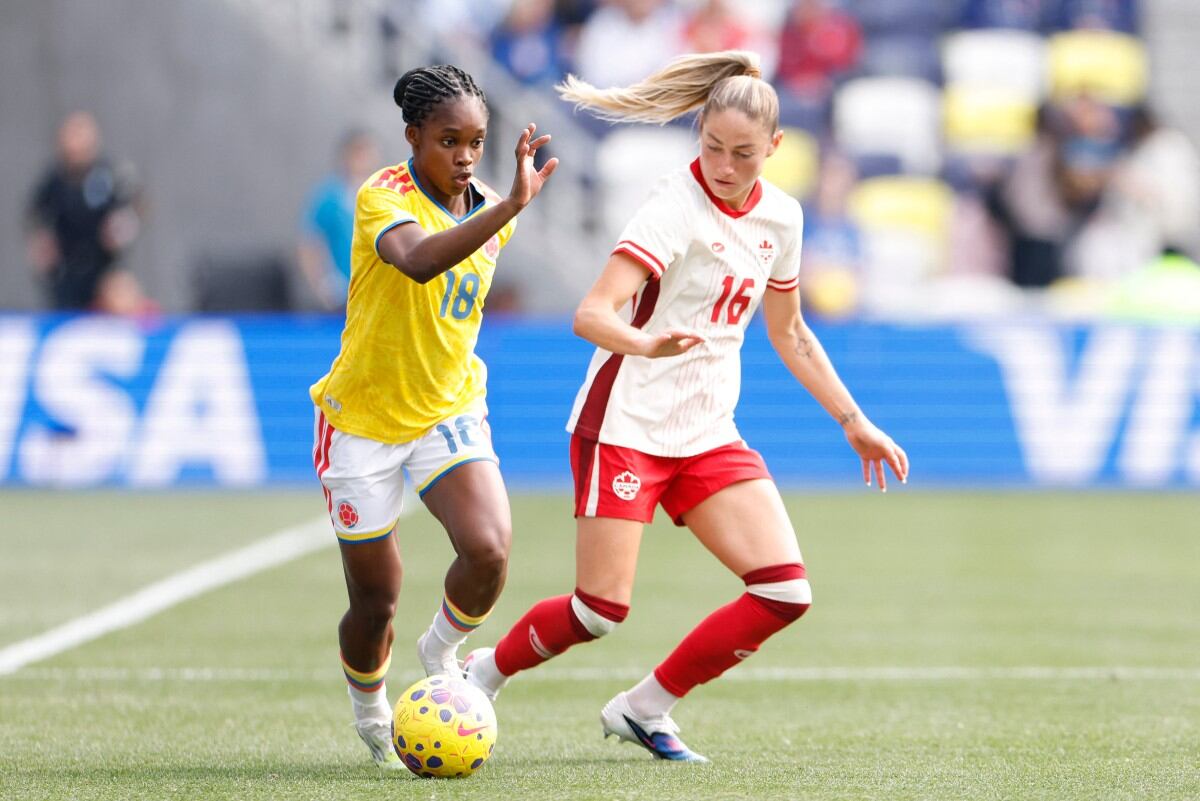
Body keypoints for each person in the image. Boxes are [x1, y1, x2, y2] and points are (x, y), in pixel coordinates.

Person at [464, 50, 908, 762]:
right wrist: (643, 342)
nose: (726, 166)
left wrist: (854, 422)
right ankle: (482, 672)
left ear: (776, 148)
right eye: (712, 147)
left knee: (785, 591)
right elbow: (591, 314)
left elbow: (789, 331)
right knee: (598, 610)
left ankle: (644, 706)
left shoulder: (782, 219)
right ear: (697, 130)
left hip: (705, 430)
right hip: (626, 423)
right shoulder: (674, 208)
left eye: (743, 155)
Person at [308, 64, 557, 768]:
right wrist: (506, 208)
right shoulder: (382, 197)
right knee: (375, 601)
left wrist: (500, 206)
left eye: (477, 141)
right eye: (450, 140)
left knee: (489, 550)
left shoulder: (485, 202)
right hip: (362, 421)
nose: (466, 157)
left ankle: (440, 651)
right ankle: (370, 708)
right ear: (413, 136)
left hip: (447, 406)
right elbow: (417, 264)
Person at [25, 111, 144, 311]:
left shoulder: (110, 174)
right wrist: (42, 241)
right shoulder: (53, 181)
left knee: (121, 295)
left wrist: (123, 226)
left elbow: (137, 203)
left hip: (105, 267)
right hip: (66, 270)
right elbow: (34, 215)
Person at [296, 130, 381, 311]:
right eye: (357, 153)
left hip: (376, 291)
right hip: (342, 291)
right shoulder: (330, 197)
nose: (362, 159)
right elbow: (310, 243)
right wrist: (322, 285)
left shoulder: (382, 194)